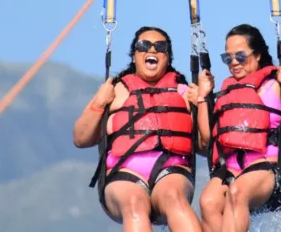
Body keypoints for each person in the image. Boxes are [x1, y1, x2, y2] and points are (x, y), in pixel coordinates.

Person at [190, 23, 281, 232]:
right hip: (232, 167)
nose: (233, 63)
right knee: (208, 201)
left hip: (272, 167)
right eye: (227, 58)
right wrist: (204, 97)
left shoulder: (276, 84)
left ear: (257, 55)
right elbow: (207, 141)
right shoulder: (226, 92)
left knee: (237, 193)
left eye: (240, 56)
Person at [73, 26, 203, 232]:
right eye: (144, 45)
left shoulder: (184, 92)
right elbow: (80, 138)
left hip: (172, 171)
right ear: (134, 56)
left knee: (174, 199)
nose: (151, 50)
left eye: (160, 47)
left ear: (167, 58)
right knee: (134, 204)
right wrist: (98, 104)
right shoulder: (115, 91)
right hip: (123, 174)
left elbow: (205, 146)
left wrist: (202, 103)